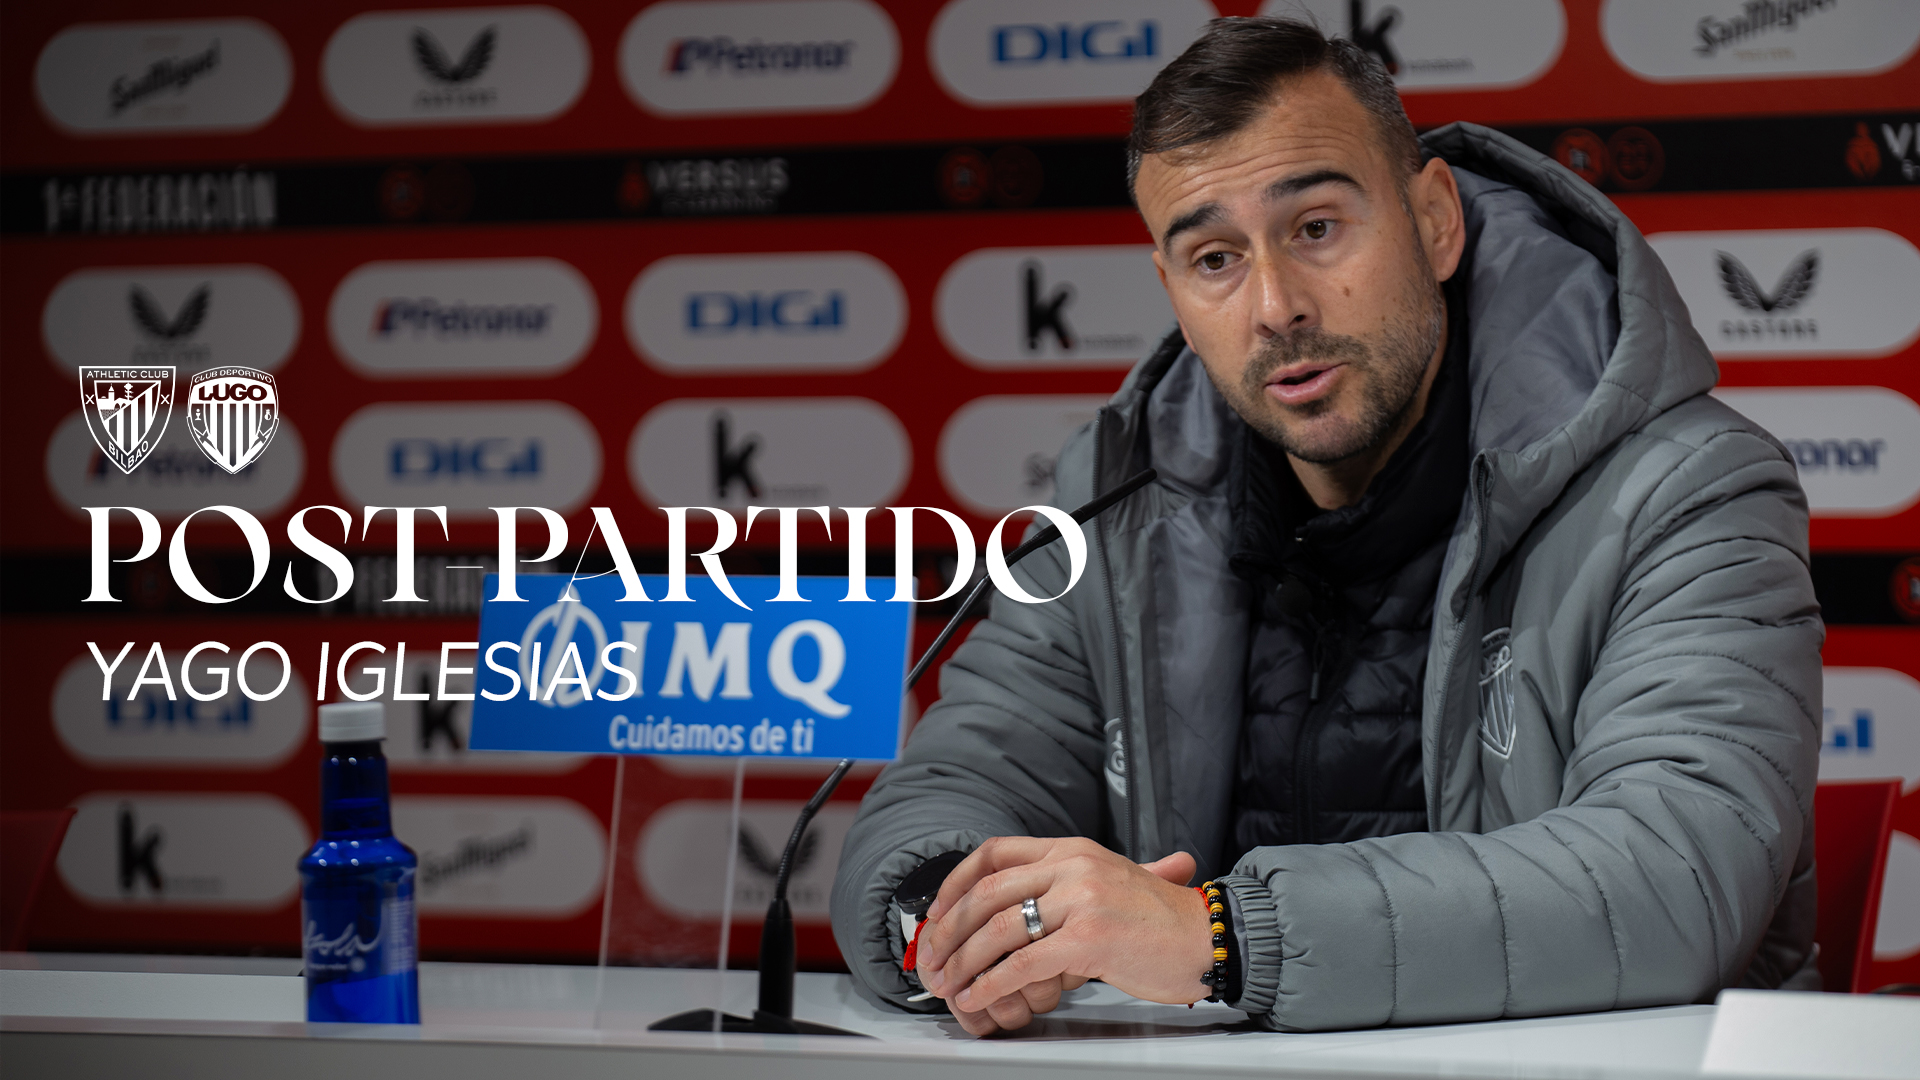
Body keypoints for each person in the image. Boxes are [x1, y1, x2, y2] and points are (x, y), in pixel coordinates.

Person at [831, 16, 1821, 1035]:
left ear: (1435, 220)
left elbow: (1674, 876)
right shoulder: (1118, 499)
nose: (1275, 305)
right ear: (1173, 291)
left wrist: (1220, 938)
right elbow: (956, 783)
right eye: (1215, 257)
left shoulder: (1684, 485)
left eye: (1315, 228)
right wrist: (953, 927)